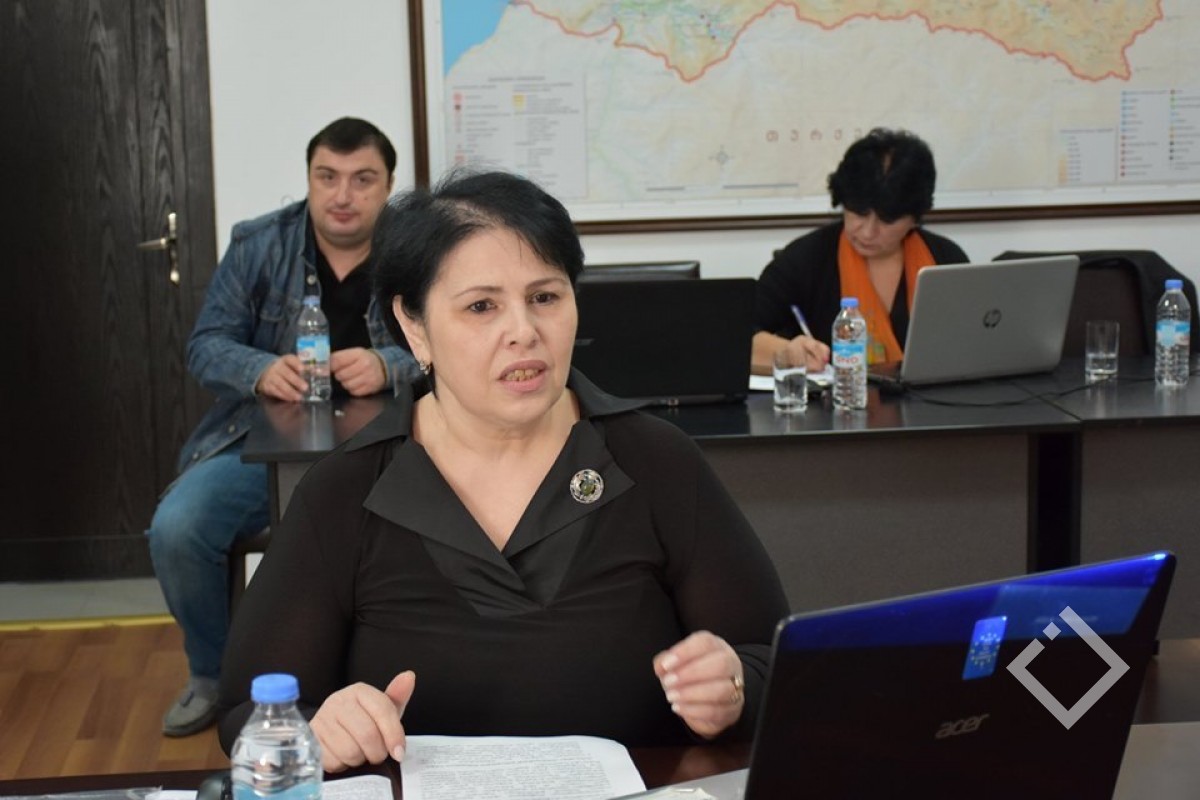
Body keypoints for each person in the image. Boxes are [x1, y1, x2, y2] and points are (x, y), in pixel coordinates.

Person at [215, 170, 789, 770]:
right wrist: (319, 729)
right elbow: (245, 713)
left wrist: (733, 689)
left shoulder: (656, 460)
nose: (524, 332)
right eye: (482, 306)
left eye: (545, 297)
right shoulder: (346, 489)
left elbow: (771, 659)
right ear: (414, 326)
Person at [147, 117, 421, 737]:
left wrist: (389, 364)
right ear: (308, 179)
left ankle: (393, 676)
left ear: (389, 185)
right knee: (178, 529)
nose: (342, 195)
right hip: (265, 444)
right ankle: (215, 677)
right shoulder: (259, 243)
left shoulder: (415, 247)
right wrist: (261, 369)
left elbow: (453, 341)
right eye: (327, 177)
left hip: (393, 442)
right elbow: (205, 345)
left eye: (362, 180)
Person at [752, 128, 969, 374]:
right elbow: (737, 333)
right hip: (835, 397)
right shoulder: (806, 259)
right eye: (858, 213)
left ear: (914, 218)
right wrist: (786, 352)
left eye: (887, 220)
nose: (867, 232)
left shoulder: (946, 259)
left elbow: (974, 340)